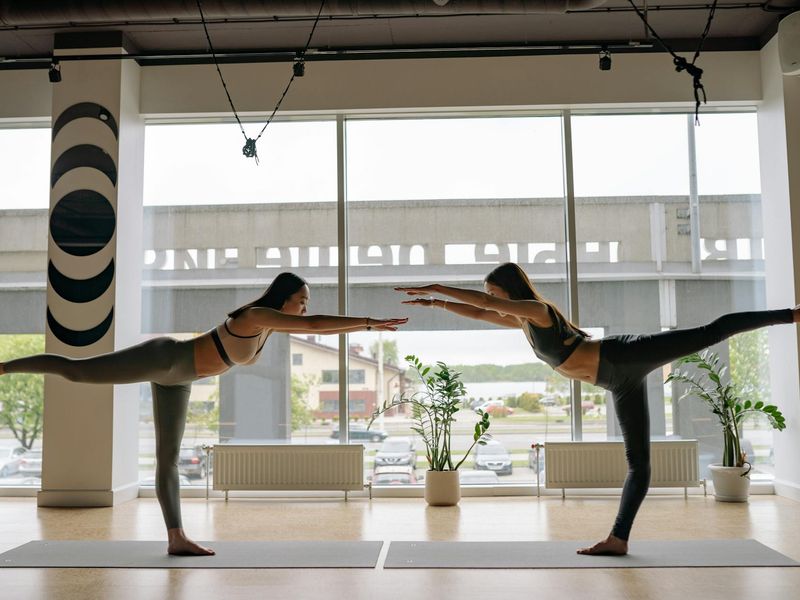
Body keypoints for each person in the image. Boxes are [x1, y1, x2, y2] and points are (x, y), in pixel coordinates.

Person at [396, 262, 798, 556]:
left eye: (498, 294)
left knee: (710, 332)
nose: (495, 302)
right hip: (616, 380)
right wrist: (437, 303)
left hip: (622, 356)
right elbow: (482, 311)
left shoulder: (538, 311)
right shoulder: (521, 322)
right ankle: (618, 539)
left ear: (509, 291)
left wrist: (438, 285)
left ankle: (790, 315)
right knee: (638, 462)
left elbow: (482, 302)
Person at [0, 272, 407, 556]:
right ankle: (3, 367)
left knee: (168, 460)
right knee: (78, 371)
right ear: (282, 299)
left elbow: (314, 325)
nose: (304, 308)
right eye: (300, 301)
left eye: (305, 303)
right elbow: (317, 325)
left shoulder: (270, 326)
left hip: (179, 378)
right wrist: (370, 322)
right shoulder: (253, 317)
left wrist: (365, 327)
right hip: (164, 359)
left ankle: (176, 538)